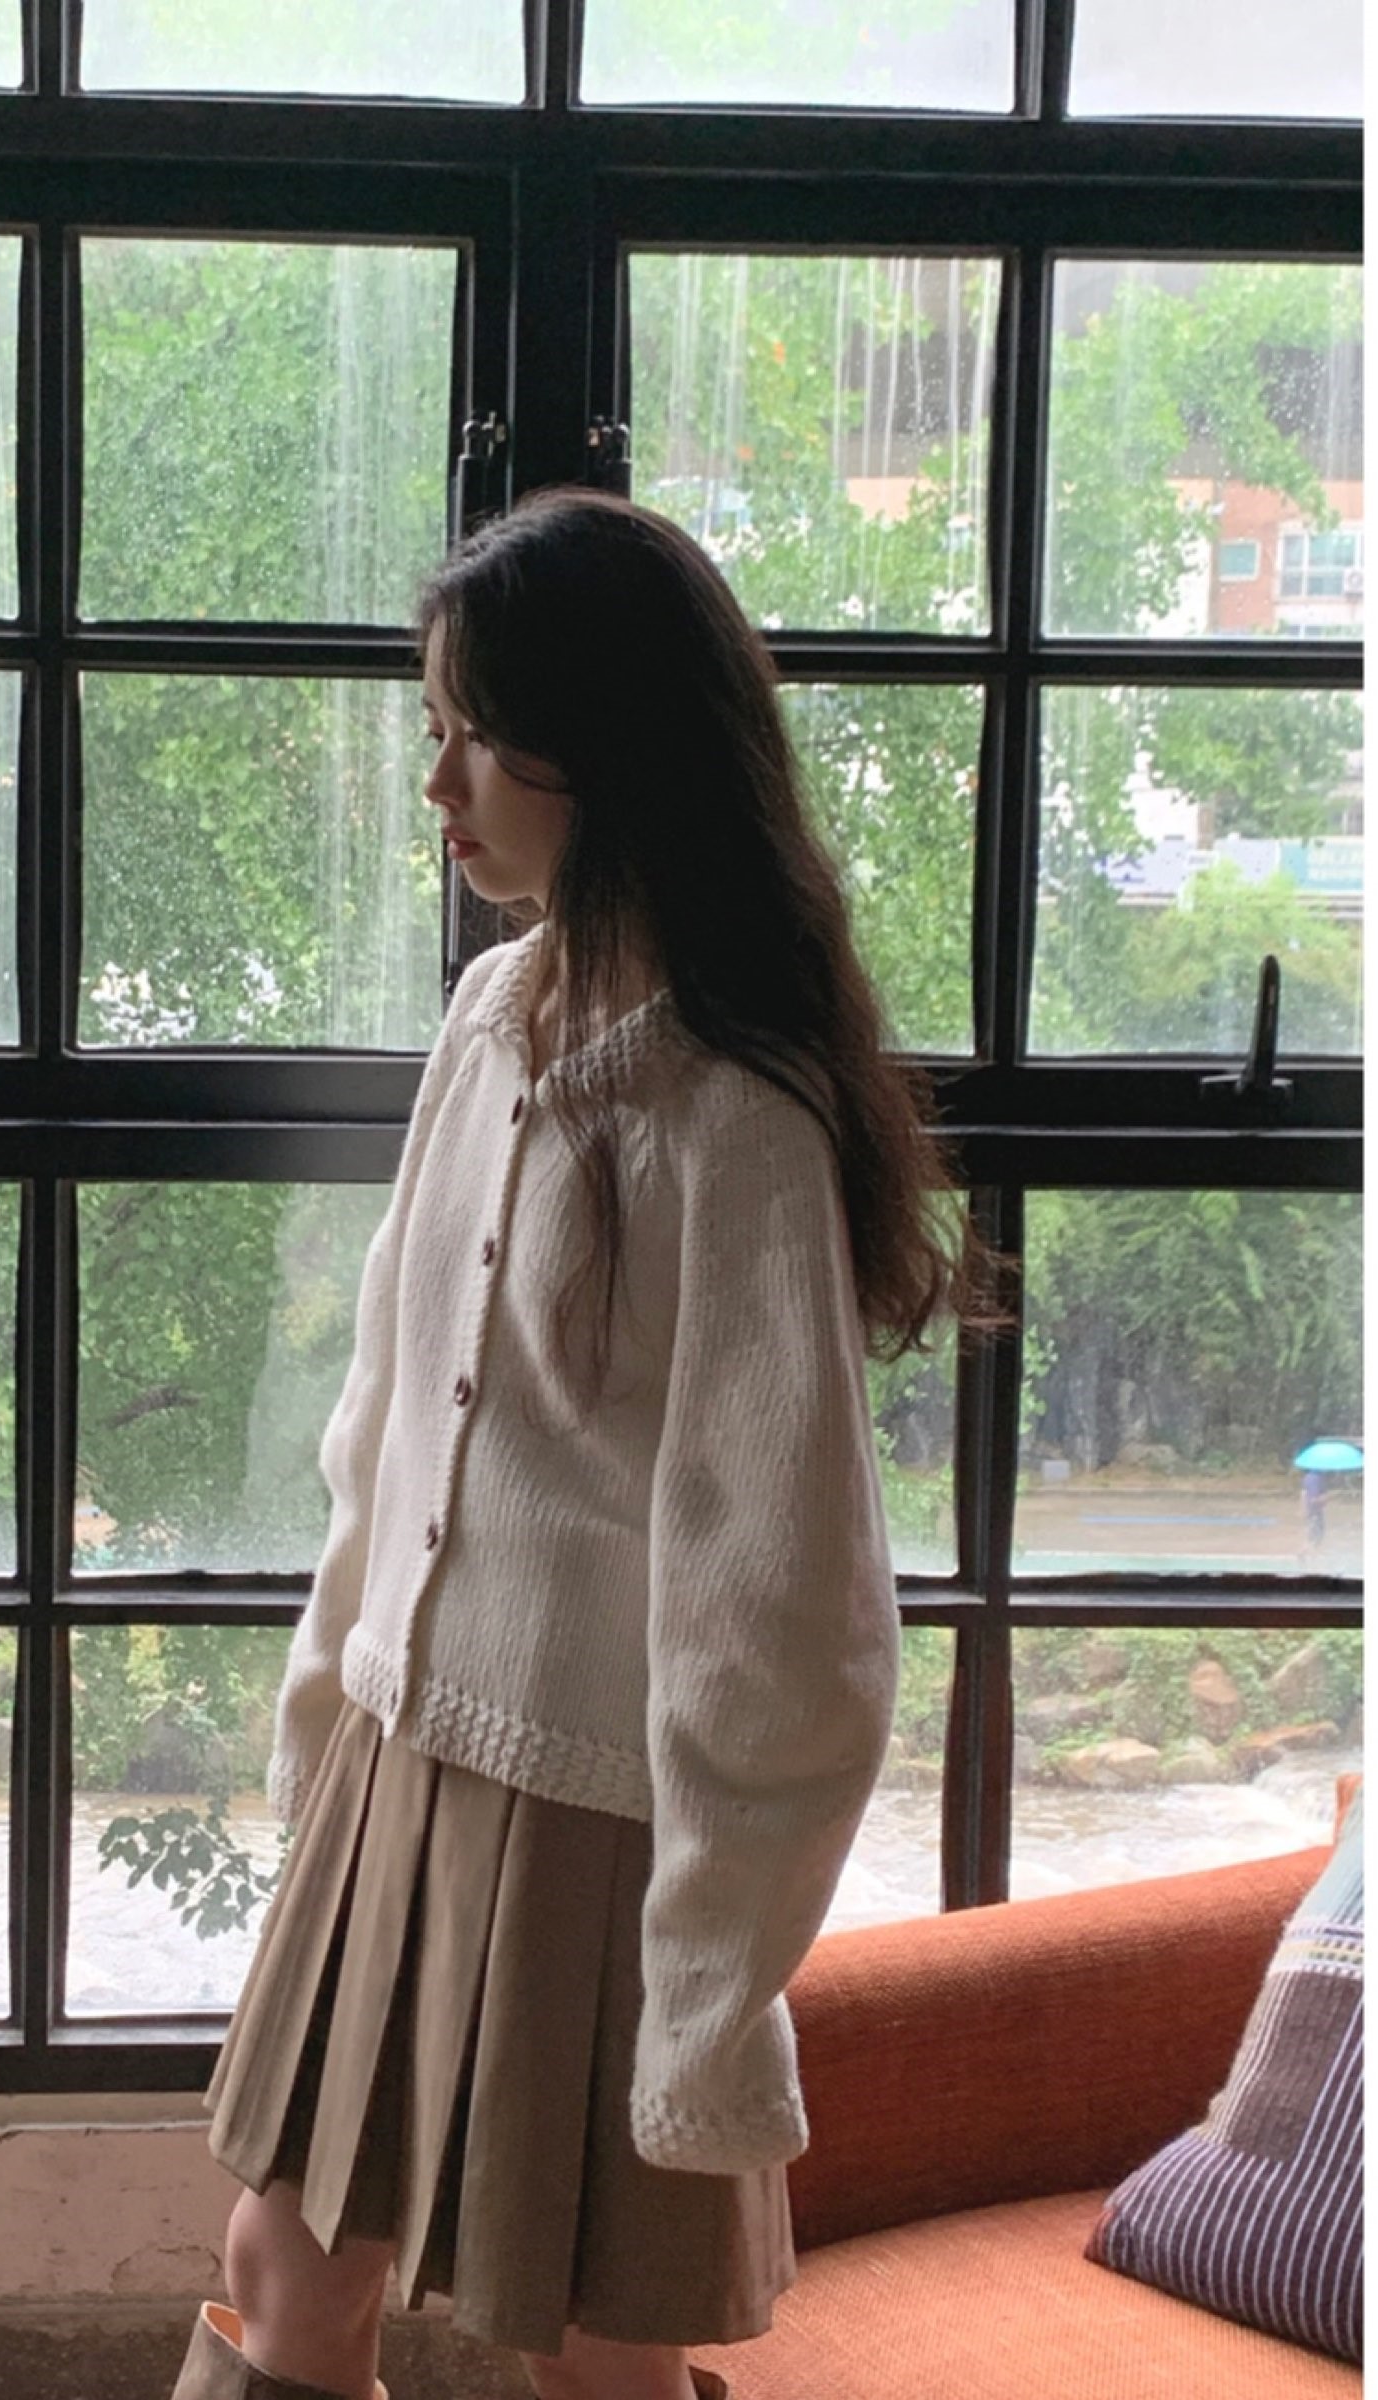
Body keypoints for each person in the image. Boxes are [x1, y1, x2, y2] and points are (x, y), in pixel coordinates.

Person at [174, 489, 980, 2400]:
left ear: (605, 746)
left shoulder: (733, 1112)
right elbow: (386, 1424)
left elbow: (782, 1598)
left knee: (598, 2361)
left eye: (477, 732)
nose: (436, 782)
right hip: (400, 1767)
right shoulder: (486, 1016)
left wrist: (711, 1977)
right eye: (430, 727)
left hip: (606, 1828)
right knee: (283, 2277)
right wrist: (329, 1717)